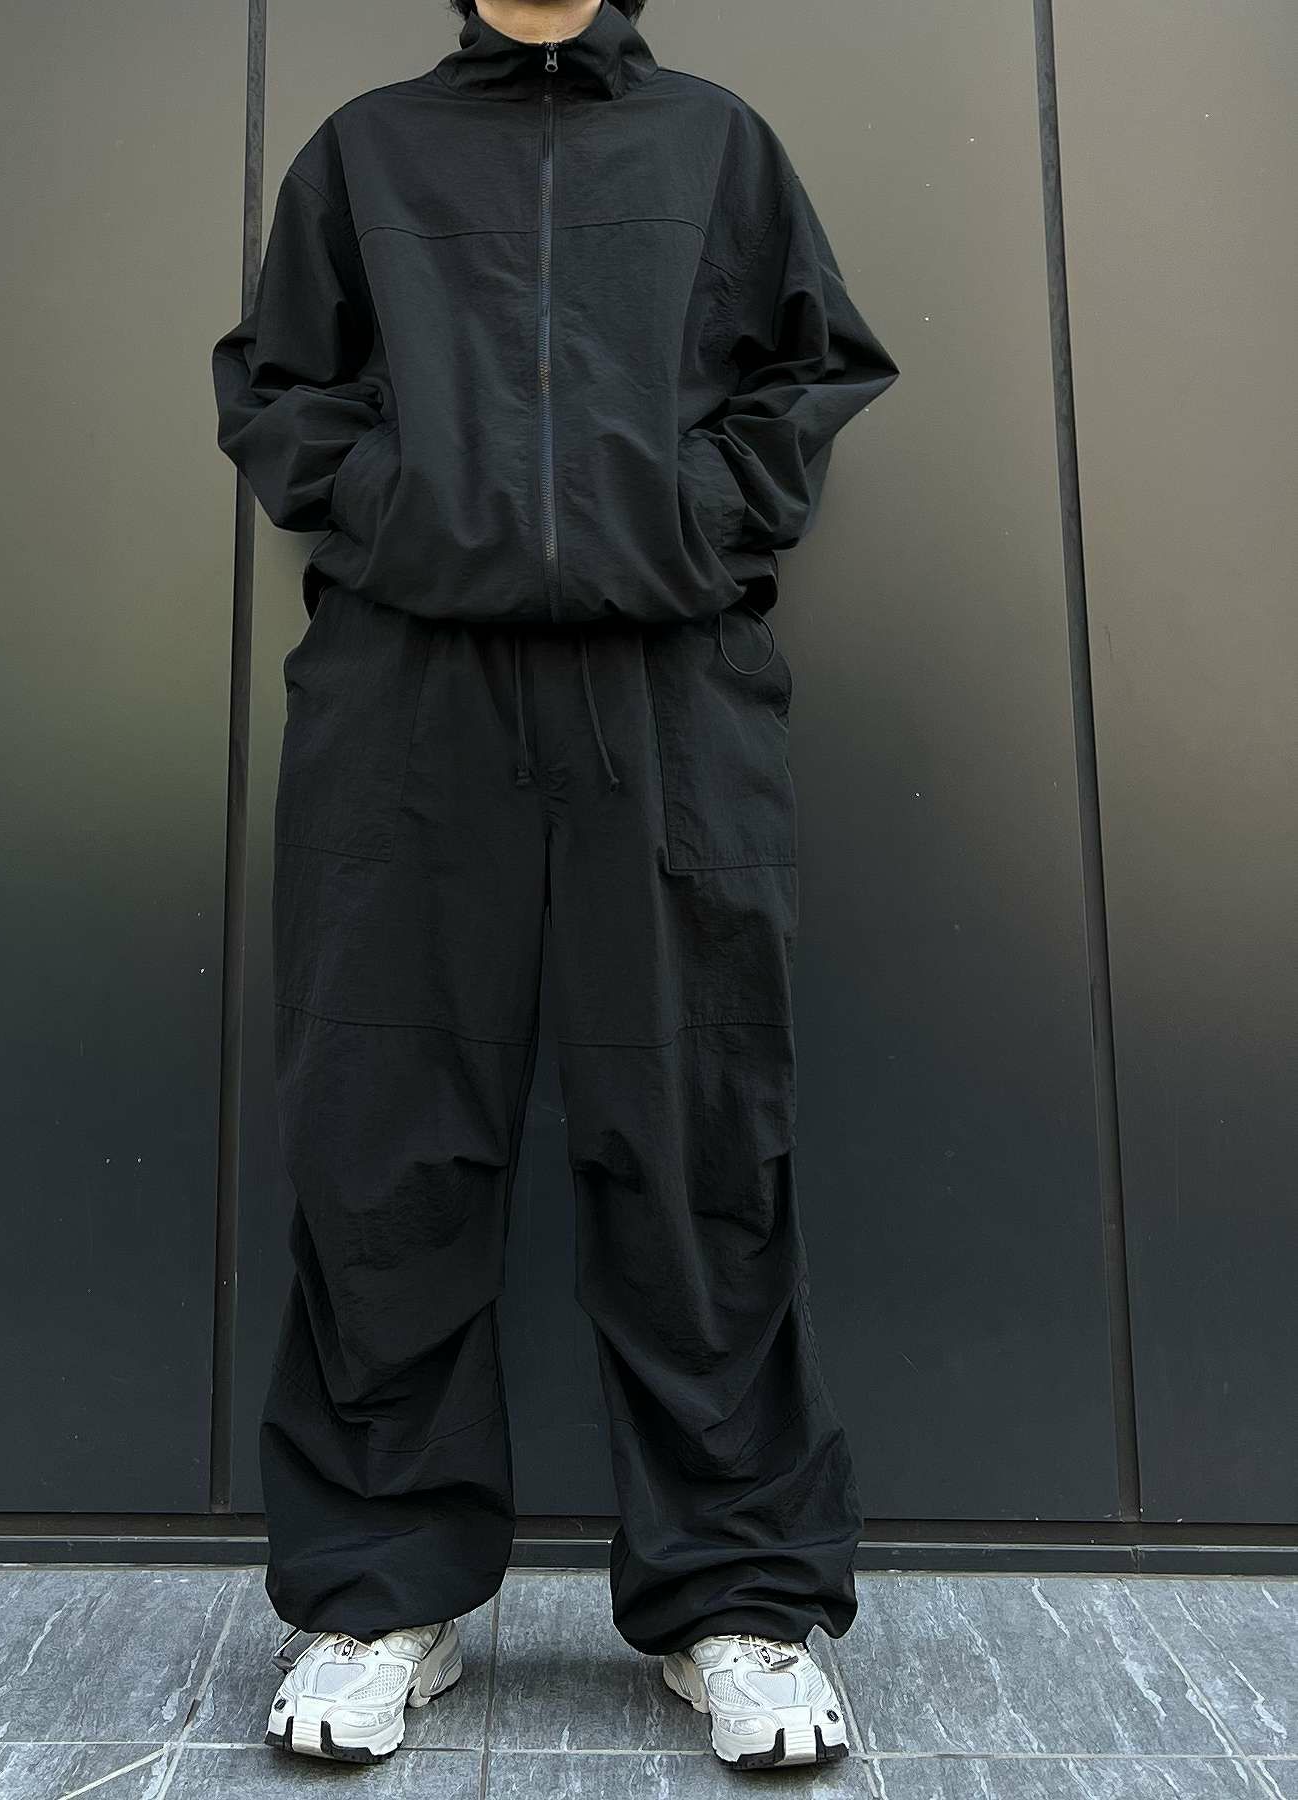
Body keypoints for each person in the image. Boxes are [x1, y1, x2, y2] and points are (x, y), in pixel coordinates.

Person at [211, 0, 899, 1771]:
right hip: (405, 697)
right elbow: (278, 394)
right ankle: (383, 1596)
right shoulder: (366, 152)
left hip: (665, 694)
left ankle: (738, 1602)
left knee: (695, 1141)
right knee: (386, 1143)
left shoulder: (715, 144)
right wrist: (415, 509)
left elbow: (811, 374)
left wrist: (674, 519)